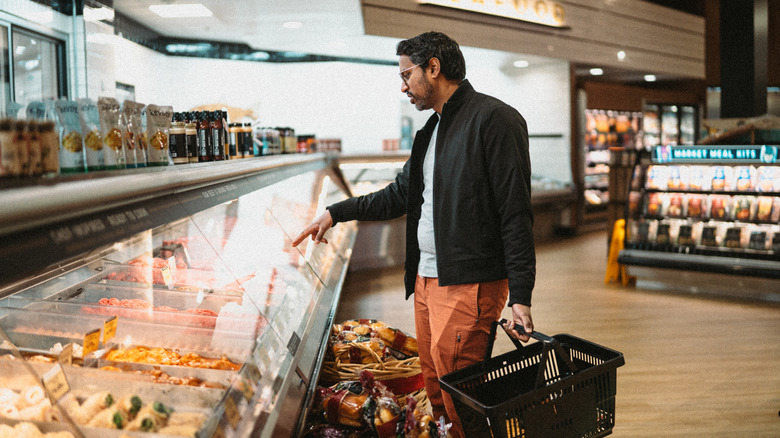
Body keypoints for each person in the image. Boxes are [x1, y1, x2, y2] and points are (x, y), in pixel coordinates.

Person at [293, 31, 536, 438]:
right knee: (437, 392)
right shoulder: (431, 132)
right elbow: (399, 196)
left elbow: (515, 212)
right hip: (426, 281)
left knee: (463, 401)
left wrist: (522, 295)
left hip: (468, 284)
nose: (403, 85)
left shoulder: (495, 119)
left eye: (407, 74)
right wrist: (336, 213)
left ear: (434, 68)